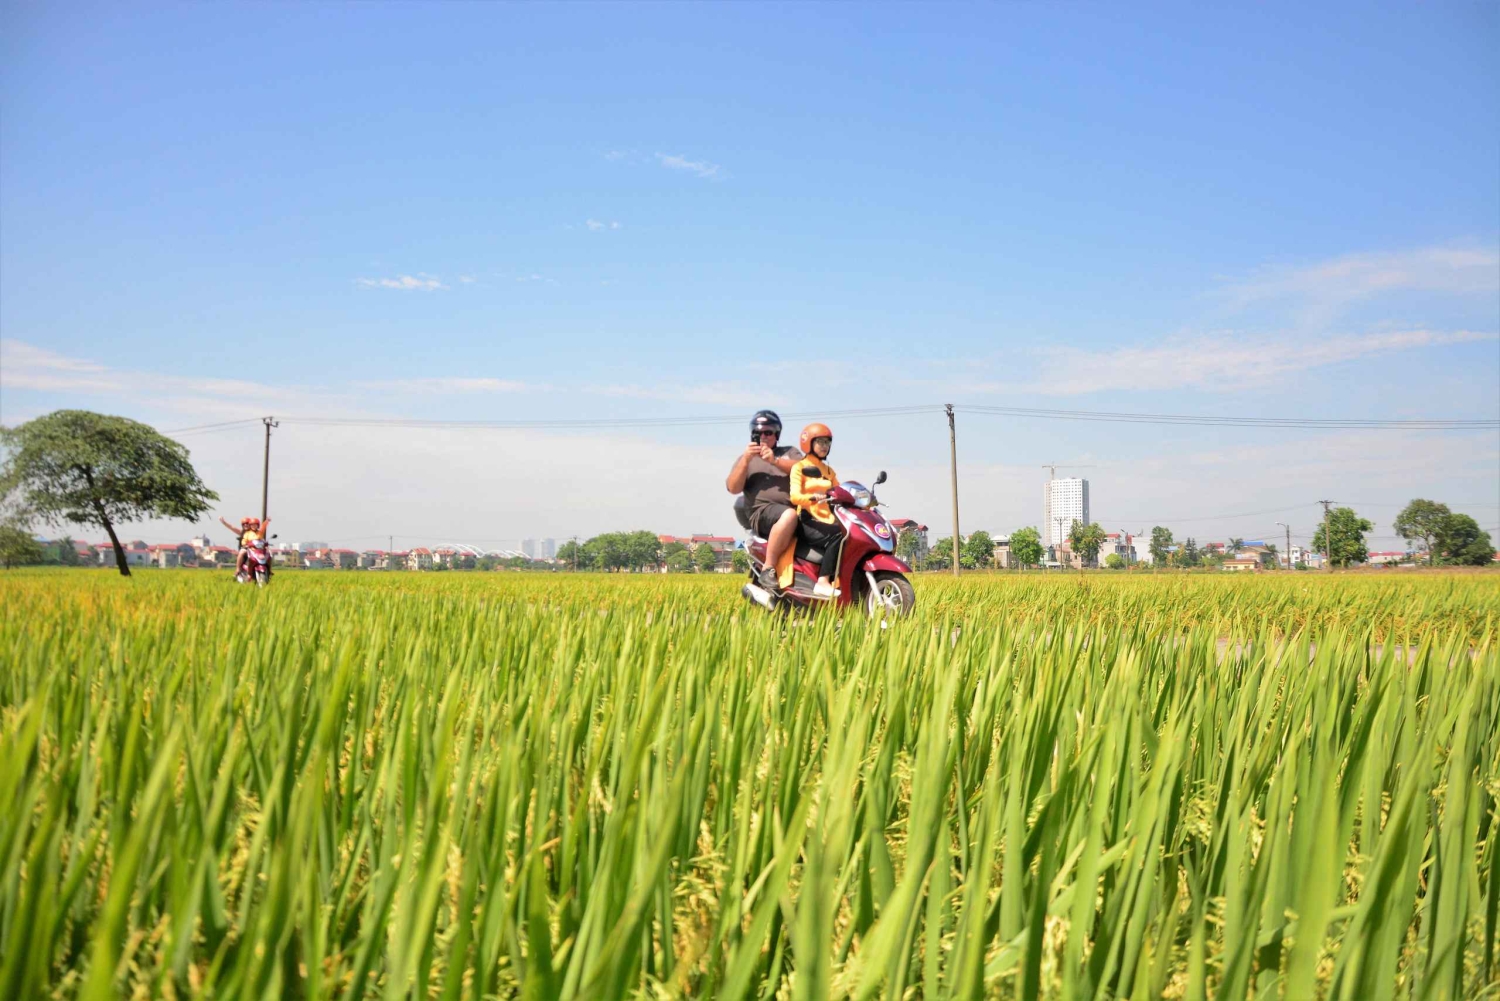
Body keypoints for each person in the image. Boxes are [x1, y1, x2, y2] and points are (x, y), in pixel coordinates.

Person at [725, 409, 802, 591]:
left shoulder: (788, 452)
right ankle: (769, 567)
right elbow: (733, 487)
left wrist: (775, 461)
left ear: (776, 434)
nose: (763, 436)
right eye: (758, 433)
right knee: (789, 515)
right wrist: (746, 459)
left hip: (798, 509)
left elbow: (804, 469)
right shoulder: (746, 459)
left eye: (768, 432)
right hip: (762, 512)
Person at [788, 422, 845, 598]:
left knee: (851, 533)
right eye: (820, 442)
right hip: (807, 519)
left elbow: (840, 491)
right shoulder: (799, 467)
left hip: (828, 519)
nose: (825, 446)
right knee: (840, 534)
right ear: (809, 443)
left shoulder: (829, 470)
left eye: (827, 442)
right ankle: (822, 582)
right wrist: (813, 497)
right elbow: (794, 496)